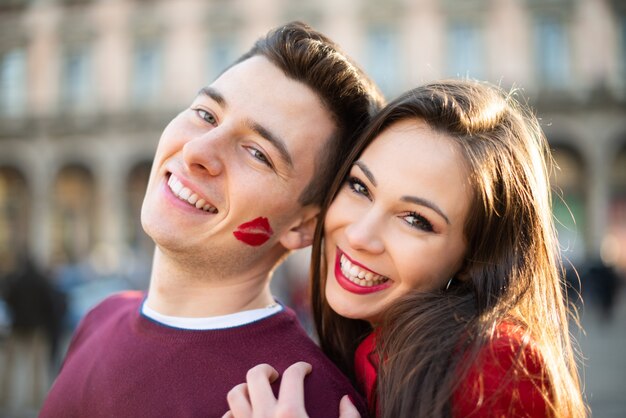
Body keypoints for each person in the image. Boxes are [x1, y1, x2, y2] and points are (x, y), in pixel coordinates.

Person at [40, 21, 384, 418]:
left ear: (303, 226)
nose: (197, 151)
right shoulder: (101, 318)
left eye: (258, 154)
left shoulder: (302, 400)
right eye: (206, 114)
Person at [223, 80, 587, 417]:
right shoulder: (369, 349)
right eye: (360, 187)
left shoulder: (494, 364)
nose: (360, 236)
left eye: (415, 220)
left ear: (472, 258)